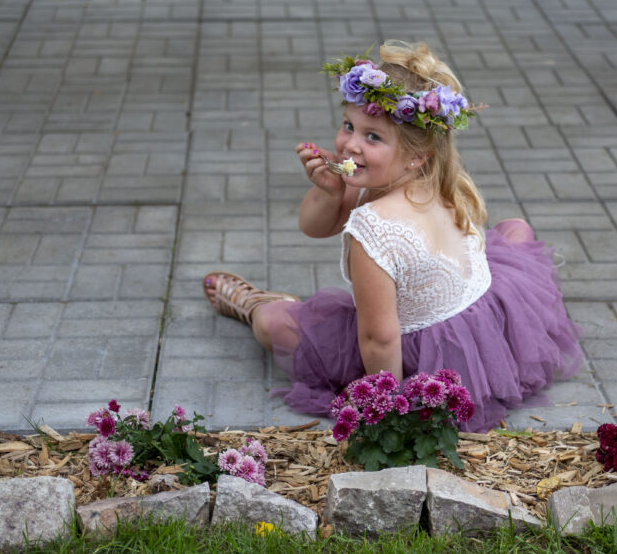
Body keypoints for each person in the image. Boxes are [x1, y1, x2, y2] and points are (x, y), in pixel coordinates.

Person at [204, 40, 582, 432]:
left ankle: (261, 303)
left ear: (416, 155)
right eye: (349, 126)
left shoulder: (375, 230)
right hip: (479, 319)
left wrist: (391, 412)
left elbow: (379, 338)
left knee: (273, 324)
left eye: (373, 138)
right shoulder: (431, 176)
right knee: (515, 231)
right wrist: (329, 191)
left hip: (417, 355)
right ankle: (508, 334)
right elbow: (312, 226)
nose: (350, 144)